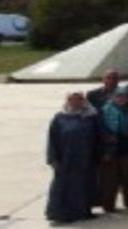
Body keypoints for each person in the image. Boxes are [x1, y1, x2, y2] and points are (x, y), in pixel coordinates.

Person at [46, 92, 99, 224]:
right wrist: (52, 159)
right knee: (62, 187)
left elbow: (99, 137)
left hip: (85, 159)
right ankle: (59, 214)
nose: (75, 102)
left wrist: (102, 154)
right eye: (72, 99)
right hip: (65, 159)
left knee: (83, 187)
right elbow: (52, 140)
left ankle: (82, 212)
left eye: (79, 99)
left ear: (83, 101)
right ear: (67, 101)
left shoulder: (91, 117)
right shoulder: (59, 117)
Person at [98, 86, 128, 212]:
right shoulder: (104, 110)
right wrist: (107, 138)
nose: (121, 99)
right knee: (109, 180)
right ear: (113, 97)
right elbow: (99, 129)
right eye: (118, 96)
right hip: (109, 149)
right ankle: (108, 206)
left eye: (124, 96)